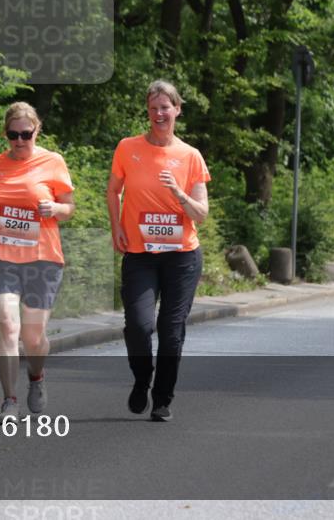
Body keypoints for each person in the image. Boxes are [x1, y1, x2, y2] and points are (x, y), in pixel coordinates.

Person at [106, 80, 210, 422]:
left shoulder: (190, 155)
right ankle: (142, 379)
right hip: (140, 254)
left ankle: (162, 398)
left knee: (171, 330)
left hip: (182, 257)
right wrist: (116, 227)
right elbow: (113, 190)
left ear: (177, 110)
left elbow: (201, 214)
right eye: (153, 108)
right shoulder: (128, 148)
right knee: (138, 325)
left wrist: (179, 194)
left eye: (165, 107)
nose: (159, 114)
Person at [0, 102, 75, 421]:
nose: (19, 141)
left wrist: (55, 209)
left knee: (32, 336)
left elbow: (69, 207)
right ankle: (9, 400)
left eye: (26, 134)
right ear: (5, 134)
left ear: (37, 130)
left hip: (41, 259)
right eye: (13, 135)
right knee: (6, 325)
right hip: (0, 256)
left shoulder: (53, 162)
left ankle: (37, 376)